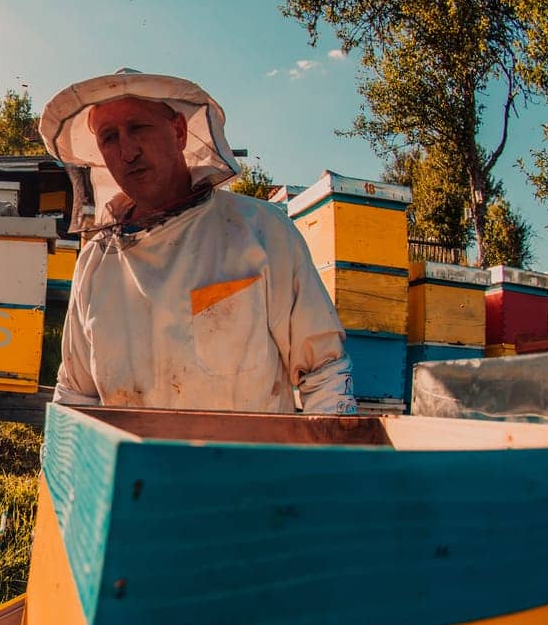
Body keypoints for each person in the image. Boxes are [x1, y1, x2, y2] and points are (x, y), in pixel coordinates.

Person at [38, 69, 355, 414]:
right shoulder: (95, 264)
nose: (127, 151)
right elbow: (75, 393)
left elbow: (325, 372)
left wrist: (324, 464)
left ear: (178, 131)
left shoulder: (261, 231)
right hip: (137, 468)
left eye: (138, 128)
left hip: (249, 466)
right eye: (109, 137)